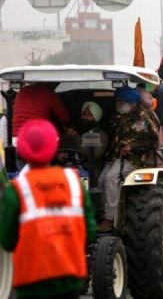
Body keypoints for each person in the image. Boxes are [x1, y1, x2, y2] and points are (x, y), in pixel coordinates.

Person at [0, 120, 96, 299]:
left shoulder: (18, 190)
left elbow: (6, 240)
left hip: (32, 281)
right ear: (54, 147)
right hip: (69, 277)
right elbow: (89, 232)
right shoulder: (74, 183)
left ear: (23, 150)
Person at [97, 86, 161, 232]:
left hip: (134, 159)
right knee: (100, 180)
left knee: (111, 178)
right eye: (118, 102)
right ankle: (101, 213)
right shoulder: (121, 116)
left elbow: (154, 142)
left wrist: (132, 146)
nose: (118, 104)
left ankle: (110, 218)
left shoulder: (144, 117)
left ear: (131, 103)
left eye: (121, 102)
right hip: (115, 156)